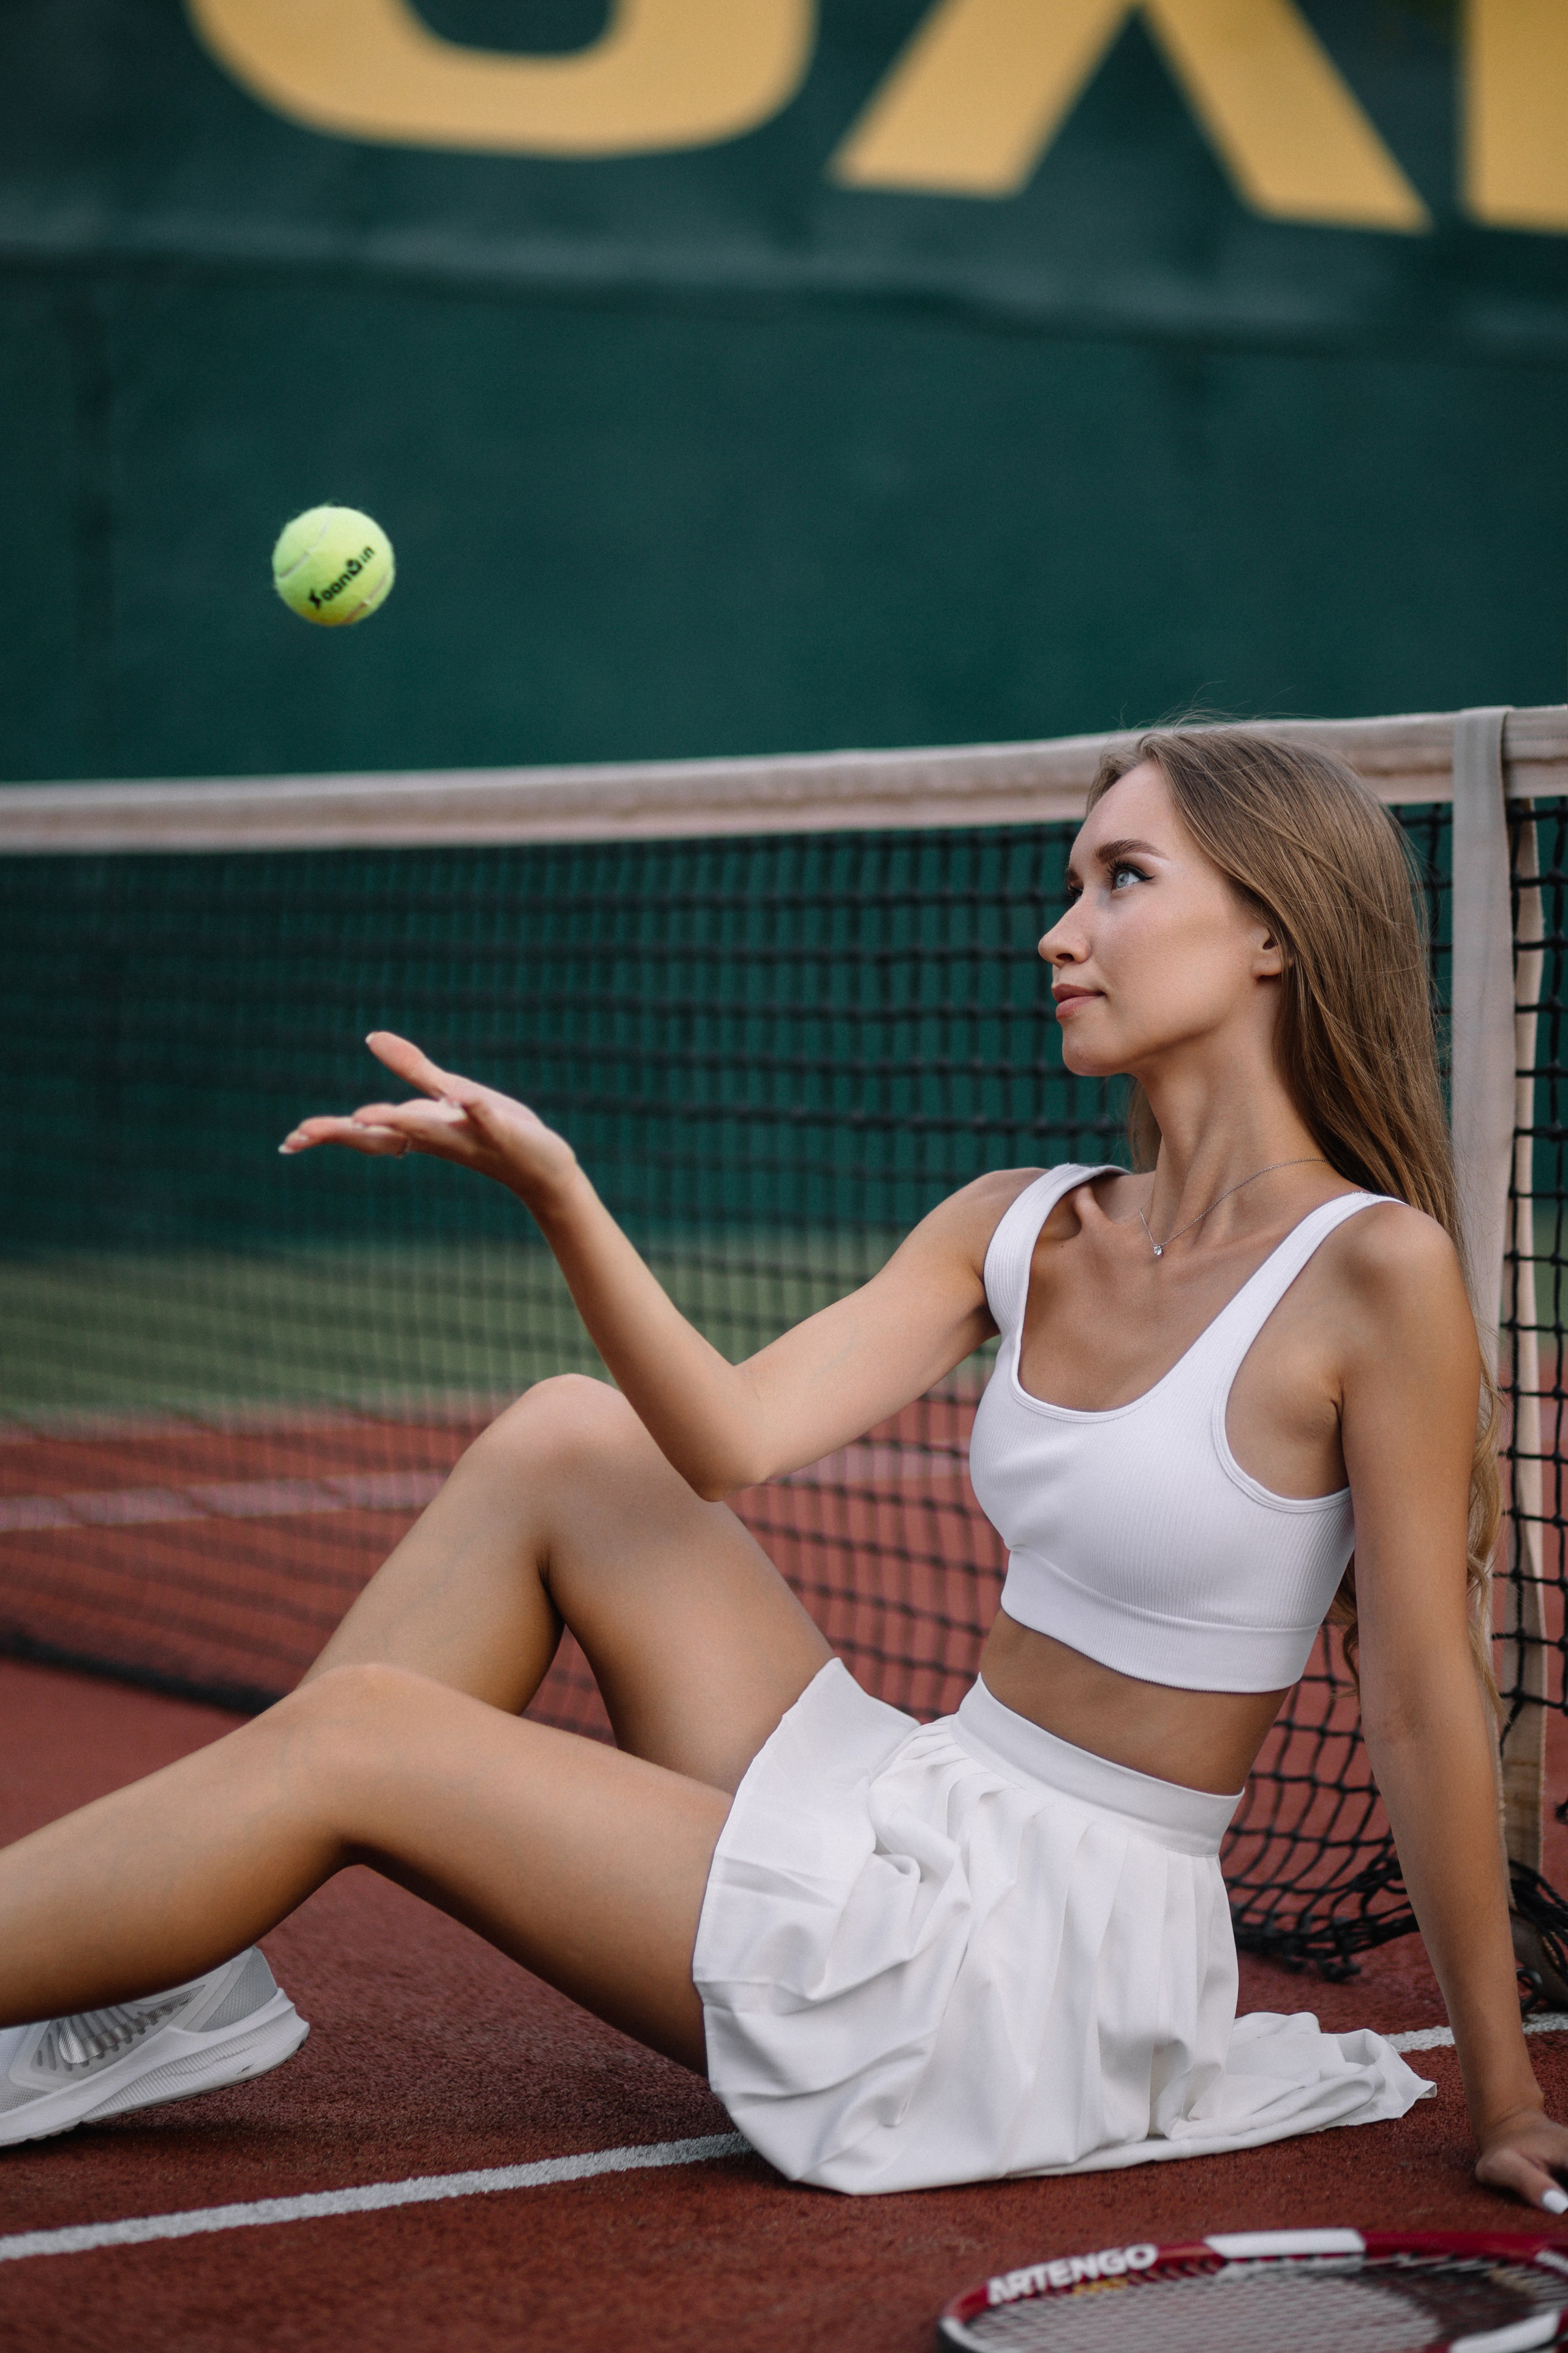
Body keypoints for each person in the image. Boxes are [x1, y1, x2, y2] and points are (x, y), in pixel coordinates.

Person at [2, 729, 1564, 2207]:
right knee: (569, 1435)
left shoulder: (1374, 1272)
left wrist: (1500, 2100)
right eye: (1070, 882)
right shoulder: (1022, 1221)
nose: (1058, 932)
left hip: (1026, 1969)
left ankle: (167, 1944)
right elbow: (727, 1438)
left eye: (1122, 880)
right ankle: (169, 1981)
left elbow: (1418, 1696)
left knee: (359, 1736)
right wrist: (561, 1191)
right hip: (923, 1806)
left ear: (1271, 930)